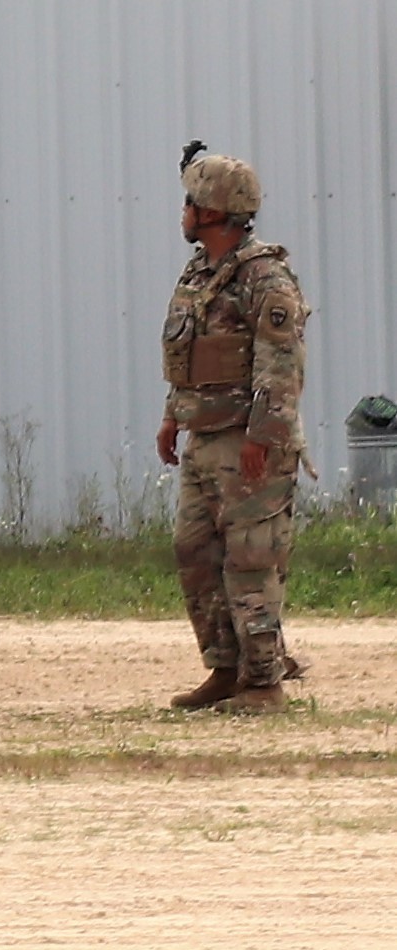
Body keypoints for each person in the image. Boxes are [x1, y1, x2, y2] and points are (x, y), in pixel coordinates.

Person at [159, 147, 308, 713]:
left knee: (250, 558)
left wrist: (261, 438)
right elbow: (187, 355)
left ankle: (264, 684)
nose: (183, 213)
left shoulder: (264, 277)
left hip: (248, 444)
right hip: (204, 438)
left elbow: (281, 364)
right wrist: (173, 417)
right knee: (195, 552)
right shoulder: (199, 274)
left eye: (190, 203)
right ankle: (225, 669)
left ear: (213, 212)